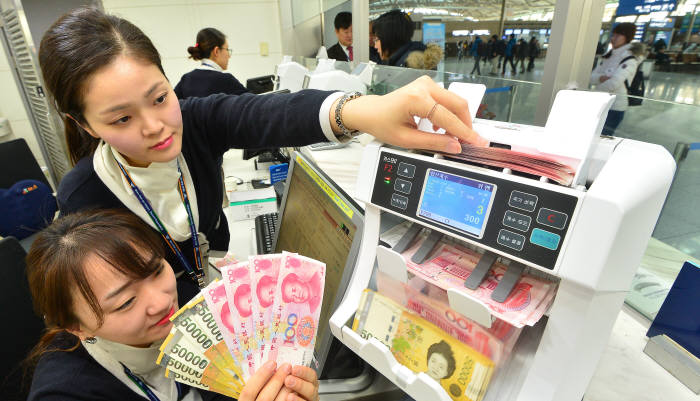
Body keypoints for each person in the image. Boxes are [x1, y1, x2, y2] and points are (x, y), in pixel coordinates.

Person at [39, 8, 487, 305]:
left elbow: (264, 114)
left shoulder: (192, 123)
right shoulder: (86, 195)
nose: (155, 125)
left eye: (159, 97)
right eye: (121, 120)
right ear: (83, 124)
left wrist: (361, 111)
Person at [24, 210, 318, 401]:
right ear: (75, 326)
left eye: (156, 271)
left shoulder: (197, 309)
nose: (162, 301)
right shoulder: (65, 393)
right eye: (126, 302)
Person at [591, 22, 645, 136]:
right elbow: (591, 77)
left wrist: (599, 81)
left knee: (602, 138)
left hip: (615, 107)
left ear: (627, 37)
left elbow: (613, 84)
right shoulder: (609, 55)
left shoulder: (630, 59)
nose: (613, 38)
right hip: (600, 103)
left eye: (618, 35)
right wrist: (601, 77)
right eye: (613, 35)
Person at [174, 28, 248, 99]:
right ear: (216, 51)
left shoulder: (186, 79)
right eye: (227, 49)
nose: (229, 56)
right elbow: (253, 104)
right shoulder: (226, 80)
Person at [372, 9, 443, 70]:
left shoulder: (408, 67)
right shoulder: (401, 61)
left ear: (389, 38)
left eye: (377, 40)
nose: (375, 46)